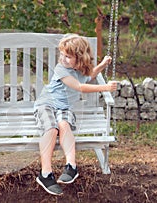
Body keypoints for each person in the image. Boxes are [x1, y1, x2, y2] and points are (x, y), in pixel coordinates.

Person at [34, 34, 118, 196]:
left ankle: (71, 166)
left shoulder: (79, 69)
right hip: (46, 104)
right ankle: (45, 174)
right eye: (62, 55)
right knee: (51, 129)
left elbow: (88, 75)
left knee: (64, 125)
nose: (63, 59)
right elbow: (80, 86)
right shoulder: (61, 69)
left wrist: (102, 65)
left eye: (68, 57)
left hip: (64, 108)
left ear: (79, 59)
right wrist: (105, 88)